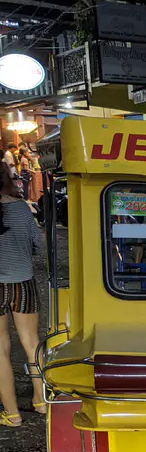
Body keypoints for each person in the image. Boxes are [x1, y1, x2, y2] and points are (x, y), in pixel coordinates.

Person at [0, 158, 45, 426]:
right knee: (31, 343)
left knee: (1, 350)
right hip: (22, 282)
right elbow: (35, 245)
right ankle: (41, 401)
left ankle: (12, 414)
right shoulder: (20, 207)